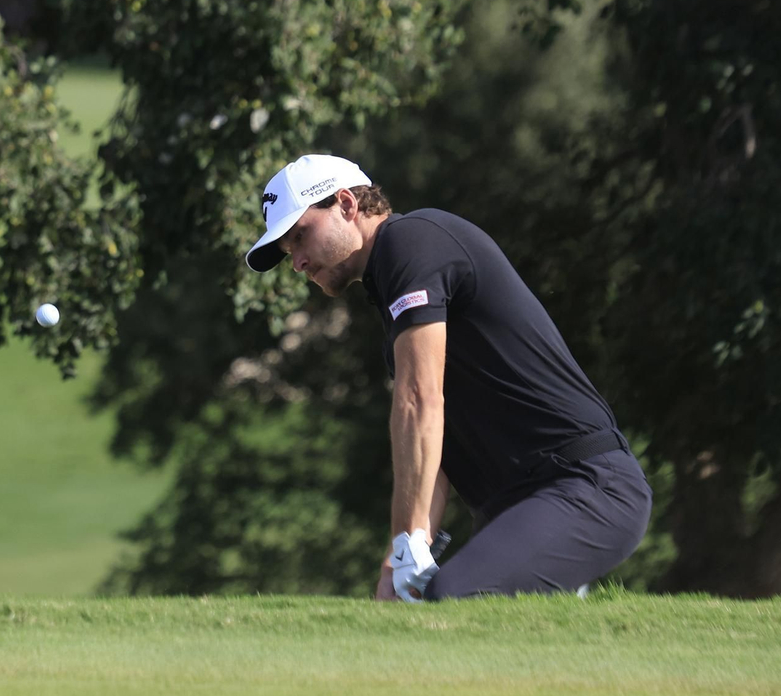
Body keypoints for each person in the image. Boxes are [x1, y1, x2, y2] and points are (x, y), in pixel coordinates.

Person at [245, 154, 652, 601]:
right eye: (288, 252)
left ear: (346, 204)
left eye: (301, 236)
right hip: (524, 508)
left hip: (587, 486)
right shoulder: (394, 302)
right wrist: (395, 562)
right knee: (432, 606)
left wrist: (409, 546)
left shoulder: (411, 240)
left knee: (453, 600)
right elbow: (433, 454)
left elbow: (419, 401)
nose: (298, 262)